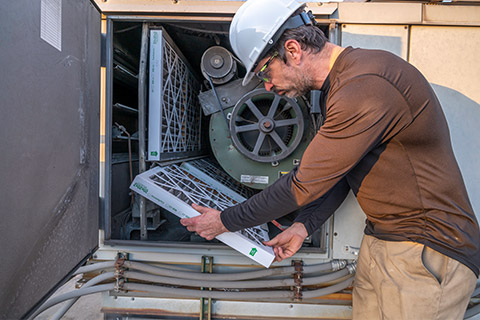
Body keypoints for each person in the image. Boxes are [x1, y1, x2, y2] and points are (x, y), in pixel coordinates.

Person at [181, 0, 480, 318]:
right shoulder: (338, 88)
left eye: (265, 70)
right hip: (384, 240)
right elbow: (337, 175)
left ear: (293, 50)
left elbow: (301, 187)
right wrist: (302, 226)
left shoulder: (364, 86)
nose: (266, 85)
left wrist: (223, 222)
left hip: (426, 250)